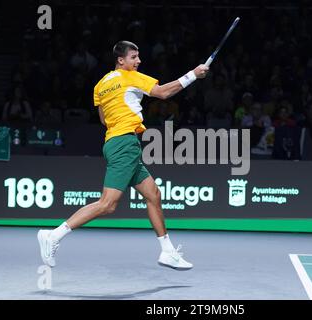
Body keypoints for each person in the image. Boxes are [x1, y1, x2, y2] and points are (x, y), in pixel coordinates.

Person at [37, 41, 209, 270]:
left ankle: (167, 251)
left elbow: (103, 119)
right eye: (134, 57)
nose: (138, 61)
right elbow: (164, 92)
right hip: (125, 144)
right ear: (121, 60)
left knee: (153, 194)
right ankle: (54, 235)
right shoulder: (130, 77)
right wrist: (194, 75)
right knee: (107, 204)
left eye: (138, 57)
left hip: (113, 141)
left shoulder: (101, 84)